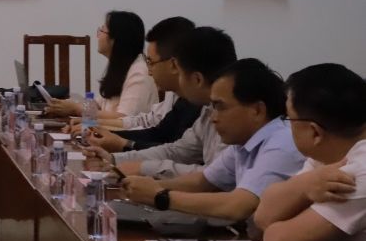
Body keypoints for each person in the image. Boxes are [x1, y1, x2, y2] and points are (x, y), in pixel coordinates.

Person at [122, 58, 305, 223]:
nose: (213, 118)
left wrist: (160, 196)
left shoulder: (282, 143)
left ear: (257, 110)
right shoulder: (244, 141)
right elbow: (203, 181)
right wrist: (148, 187)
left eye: (220, 107)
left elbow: (237, 206)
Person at [254, 64, 366, 241]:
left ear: (314, 132)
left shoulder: (361, 169)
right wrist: (306, 186)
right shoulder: (328, 153)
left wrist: (274, 228)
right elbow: (263, 215)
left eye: (288, 118)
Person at [88, 25, 237, 178]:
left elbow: (214, 177)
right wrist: (115, 159)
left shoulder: (229, 116)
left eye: (180, 72)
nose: (179, 79)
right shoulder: (207, 109)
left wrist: (142, 169)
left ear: (197, 79)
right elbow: (177, 151)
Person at [84, 16, 201, 152]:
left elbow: (174, 150)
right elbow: (154, 126)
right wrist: (93, 125)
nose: (149, 71)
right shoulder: (117, 68)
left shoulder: (140, 72)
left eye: (151, 62)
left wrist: (120, 143)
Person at [46, 11, 157, 119]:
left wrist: (76, 109)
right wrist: (64, 106)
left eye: (102, 30)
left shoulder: (139, 72)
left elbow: (124, 118)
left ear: (116, 39)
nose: (98, 36)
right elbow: (98, 105)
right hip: (106, 130)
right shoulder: (120, 66)